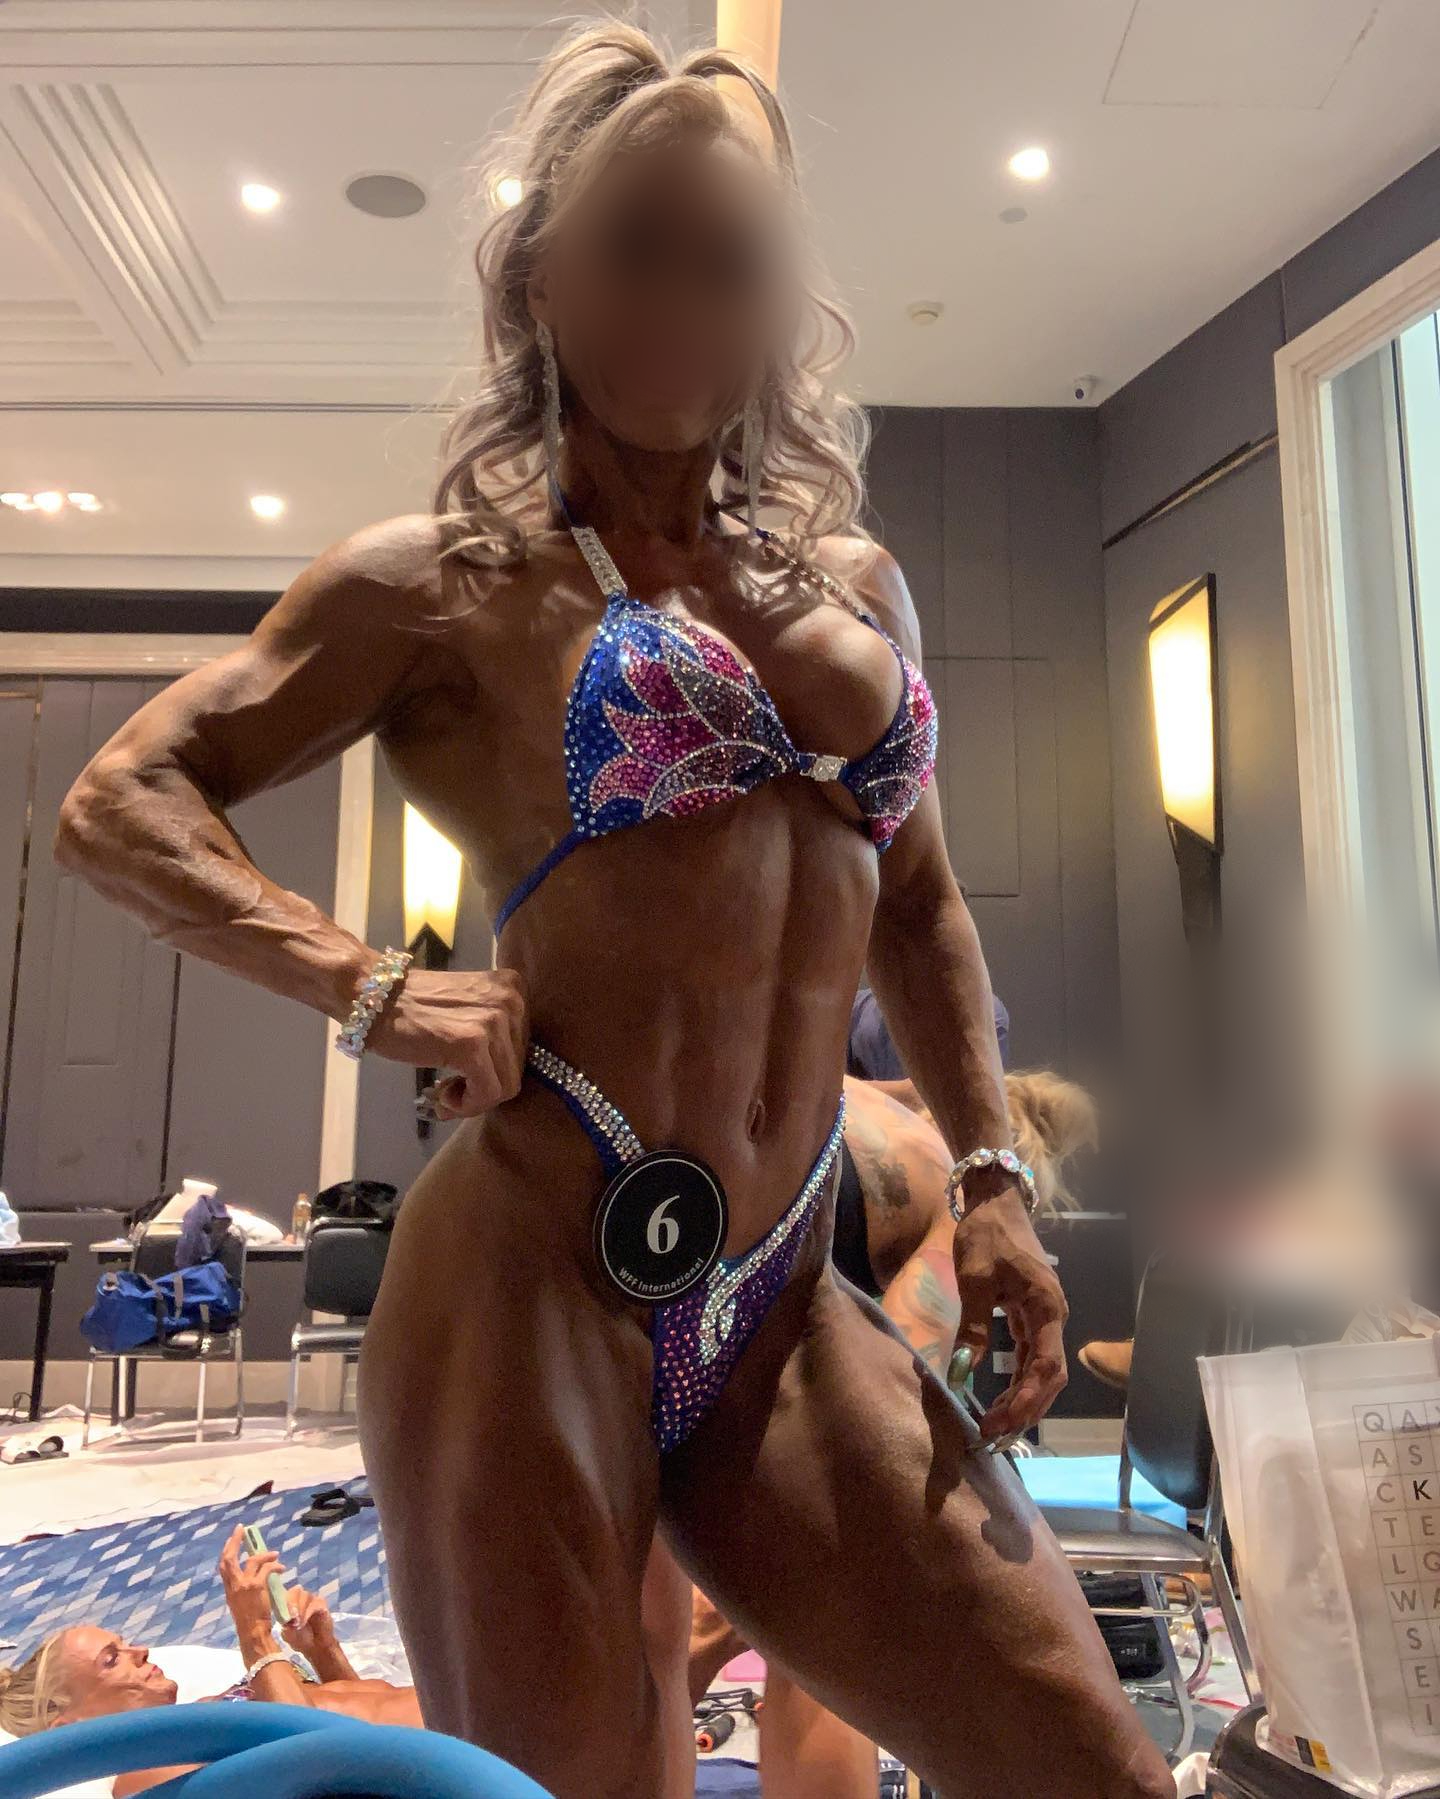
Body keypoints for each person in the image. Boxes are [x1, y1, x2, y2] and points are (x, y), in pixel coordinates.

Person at [54, 24, 1173, 1799]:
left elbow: (923, 906)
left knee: (1087, 1758)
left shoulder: (856, 585)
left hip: (781, 1289)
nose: (681, 302)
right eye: (635, 248)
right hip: (531, 1286)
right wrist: (367, 983)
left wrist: (990, 1177)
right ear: (539, 281)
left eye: (729, 261)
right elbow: (120, 796)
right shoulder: (444, 585)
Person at [649, 1068, 1102, 1799]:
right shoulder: (950, 1186)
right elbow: (873, 1437)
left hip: (643, 1173)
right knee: (821, 1613)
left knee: (652, 1633)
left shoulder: (846, 1088)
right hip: (772, 1218)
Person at [0, 1529, 420, 1795]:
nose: (140, 1651)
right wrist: (254, 1635)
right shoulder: (147, 1776)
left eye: (124, 1644)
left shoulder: (209, 1711)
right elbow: (319, 1763)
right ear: (68, 1725)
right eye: (112, 1660)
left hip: (443, 1726)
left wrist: (322, 1650)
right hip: (443, 1763)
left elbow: (362, 1713)